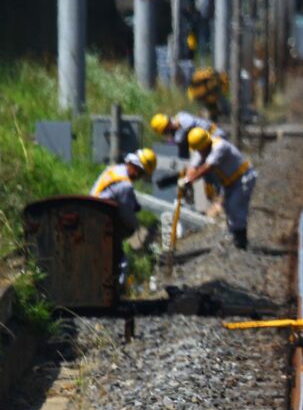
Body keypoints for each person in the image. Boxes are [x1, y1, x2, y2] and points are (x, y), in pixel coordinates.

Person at [90, 149, 157, 284]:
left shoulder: (114, 170)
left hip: (90, 211)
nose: (138, 177)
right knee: (120, 251)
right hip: (101, 221)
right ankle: (117, 285)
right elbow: (127, 218)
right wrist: (137, 225)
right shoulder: (125, 186)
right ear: (136, 167)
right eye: (140, 174)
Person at [185, 128, 257, 249]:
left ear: (206, 144)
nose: (200, 153)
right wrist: (187, 178)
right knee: (228, 208)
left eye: (200, 150)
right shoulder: (201, 149)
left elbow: (208, 167)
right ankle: (234, 237)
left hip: (242, 177)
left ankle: (241, 242)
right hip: (229, 182)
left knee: (235, 206)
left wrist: (191, 180)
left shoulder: (219, 147)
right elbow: (193, 165)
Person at [150, 111, 225, 157]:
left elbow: (190, 124)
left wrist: (178, 138)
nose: (167, 133)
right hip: (207, 144)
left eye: (166, 130)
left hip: (216, 135)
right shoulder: (177, 133)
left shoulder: (181, 118)